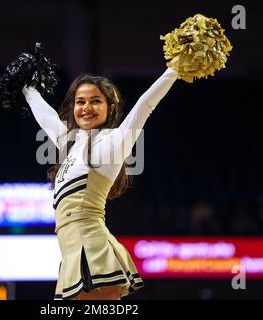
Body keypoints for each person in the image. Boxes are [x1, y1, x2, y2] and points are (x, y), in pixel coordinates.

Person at [23, 67, 178, 300]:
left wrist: (175, 69)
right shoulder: (69, 144)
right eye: (80, 102)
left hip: (93, 252)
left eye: (95, 101)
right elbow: (47, 117)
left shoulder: (114, 141)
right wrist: (27, 87)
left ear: (110, 108)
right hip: (71, 256)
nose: (86, 108)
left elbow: (146, 104)